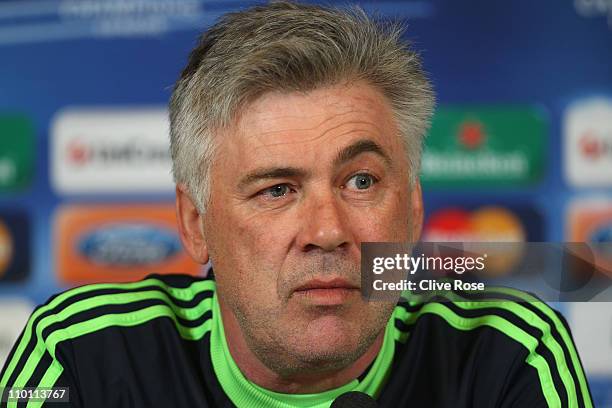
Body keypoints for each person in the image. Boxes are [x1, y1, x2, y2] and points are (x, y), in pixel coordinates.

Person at [0, 1, 592, 407]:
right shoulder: (79, 353)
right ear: (196, 224)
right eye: (277, 190)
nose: (327, 231)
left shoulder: (508, 353)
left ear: (412, 210)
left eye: (360, 181)